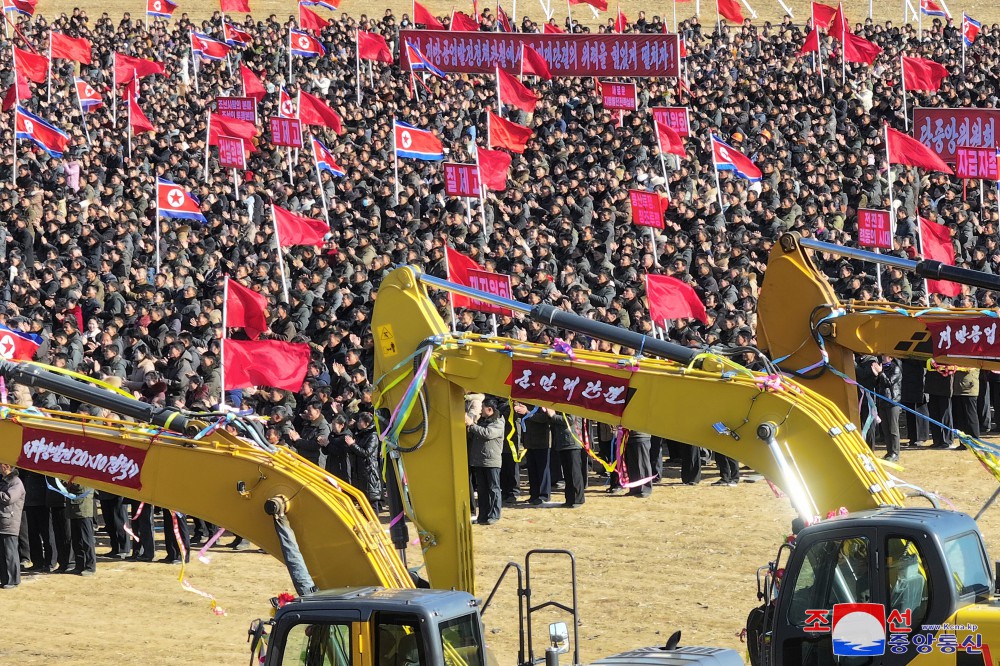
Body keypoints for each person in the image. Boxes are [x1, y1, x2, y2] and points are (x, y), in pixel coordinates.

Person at [467, 397, 505, 524]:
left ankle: (494, 515)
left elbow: (488, 433)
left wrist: (472, 425)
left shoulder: (498, 421)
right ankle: (482, 516)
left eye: (482, 409)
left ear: (489, 409)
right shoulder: (482, 420)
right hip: (479, 460)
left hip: (491, 461)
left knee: (494, 489)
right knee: (482, 490)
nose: (480, 412)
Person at [515, 403, 553, 505]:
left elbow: (544, 418)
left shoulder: (541, 403)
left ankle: (544, 495)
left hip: (542, 441)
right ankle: (534, 494)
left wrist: (527, 412)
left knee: (542, 470)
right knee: (532, 470)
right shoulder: (526, 403)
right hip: (529, 441)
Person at [551, 411, 586, 507]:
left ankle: (578, 499)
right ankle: (570, 499)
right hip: (562, 442)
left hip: (572, 441)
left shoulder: (571, 403)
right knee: (567, 474)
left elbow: (570, 420)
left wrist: (553, 415)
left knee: (575, 473)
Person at [0, 463, 25, 588]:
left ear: (6, 466)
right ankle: (5, 579)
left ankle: (13, 580)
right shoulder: (5, 482)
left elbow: (9, 498)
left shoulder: (16, 483)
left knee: (10, 553)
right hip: (3, 521)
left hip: (9, 521)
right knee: (3, 553)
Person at [65, 482, 97, 576]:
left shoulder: (84, 472)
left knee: (86, 540)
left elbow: (80, 486)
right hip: (73, 508)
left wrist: (65, 481)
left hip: (83, 508)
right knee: (76, 539)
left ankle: (90, 566)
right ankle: (79, 565)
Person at [624, 430, 653, 498]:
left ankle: (646, 488)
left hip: (641, 435)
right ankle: (634, 488)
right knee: (632, 465)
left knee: (643, 464)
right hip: (629, 437)